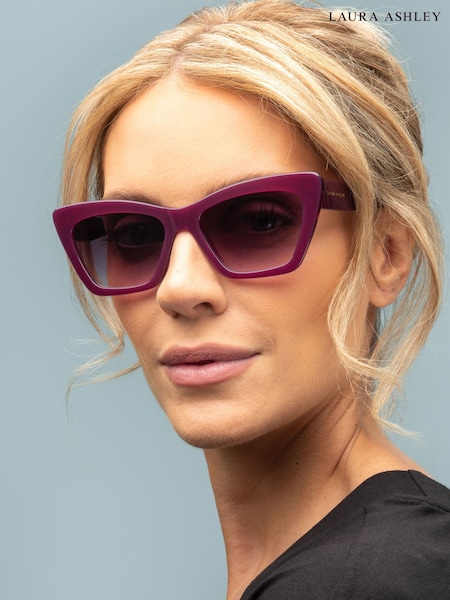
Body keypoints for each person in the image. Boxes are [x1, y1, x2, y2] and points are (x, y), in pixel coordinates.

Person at [53, 1, 450, 598]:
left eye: (259, 220)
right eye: (134, 233)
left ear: (386, 252)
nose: (179, 289)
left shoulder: (368, 580)